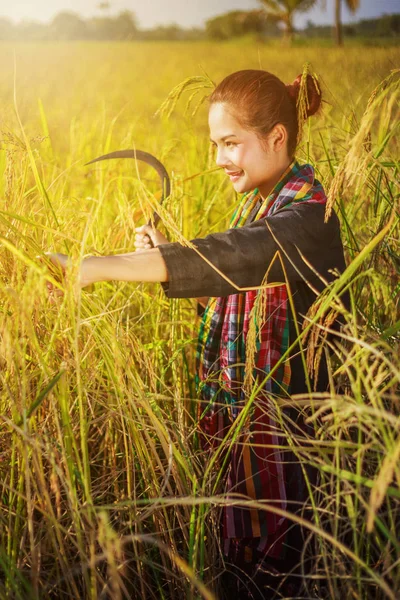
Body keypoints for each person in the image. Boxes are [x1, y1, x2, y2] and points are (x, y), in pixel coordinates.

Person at [48, 69, 347, 599]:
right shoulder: (259, 202)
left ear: (277, 137)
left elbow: (235, 255)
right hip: (248, 432)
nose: (218, 160)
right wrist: (161, 252)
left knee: (289, 575)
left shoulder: (310, 216)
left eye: (231, 144)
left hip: (300, 448)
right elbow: (232, 289)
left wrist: (88, 267)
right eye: (215, 145)